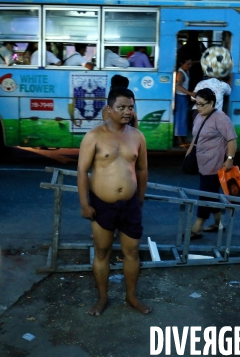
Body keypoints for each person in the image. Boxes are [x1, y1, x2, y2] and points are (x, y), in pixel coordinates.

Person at [78, 87, 150, 316]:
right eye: (121, 107)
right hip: (102, 204)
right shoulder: (94, 136)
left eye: (130, 107)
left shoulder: (137, 136)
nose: (127, 111)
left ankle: (131, 296)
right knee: (102, 252)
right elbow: (81, 171)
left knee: (132, 251)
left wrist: (139, 198)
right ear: (109, 109)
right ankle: (102, 298)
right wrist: (84, 204)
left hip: (129, 205)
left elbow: (142, 169)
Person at [186, 88, 237, 239]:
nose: (198, 107)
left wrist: (229, 159)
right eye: (196, 104)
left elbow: (232, 140)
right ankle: (218, 223)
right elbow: (195, 138)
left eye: (201, 104)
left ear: (212, 103)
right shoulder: (199, 116)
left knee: (205, 194)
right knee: (212, 193)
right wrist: (188, 155)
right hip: (201, 162)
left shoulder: (221, 118)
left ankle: (197, 228)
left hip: (214, 164)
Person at [174, 56, 195, 147]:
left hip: (183, 97)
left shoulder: (186, 71)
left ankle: (184, 139)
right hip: (180, 98)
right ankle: (180, 140)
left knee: (184, 119)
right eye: (187, 64)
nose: (190, 66)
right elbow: (178, 86)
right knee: (180, 119)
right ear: (181, 64)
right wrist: (190, 93)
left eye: (190, 64)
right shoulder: (180, 73)